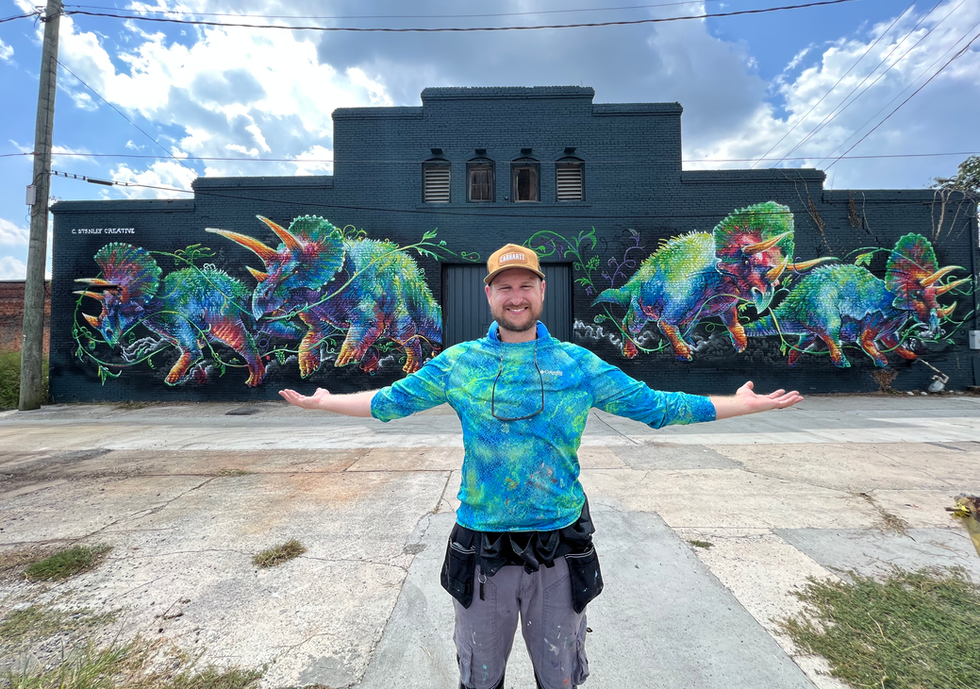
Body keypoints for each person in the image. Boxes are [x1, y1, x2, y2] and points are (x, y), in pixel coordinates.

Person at [280, 243, 803, 689]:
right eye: (504, 287)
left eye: (524, 285)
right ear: (489, 295)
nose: (515, 297)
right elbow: (390, 402)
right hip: (482, 543)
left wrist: (740, 405)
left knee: (560, 673)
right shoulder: (458, 362)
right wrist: (324, 402)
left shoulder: (579, 364)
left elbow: (656, 407)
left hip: (560, 543)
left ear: (541, 291)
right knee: (480, 674)